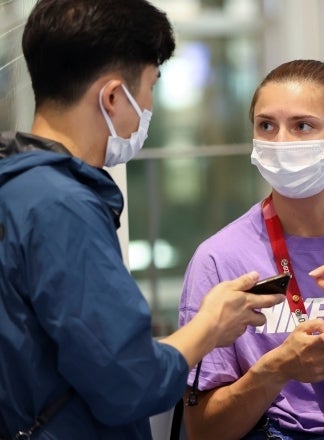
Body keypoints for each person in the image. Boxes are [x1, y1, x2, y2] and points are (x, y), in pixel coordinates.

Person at [0, 1, 284, 438]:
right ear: (113, 96)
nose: (149, 104)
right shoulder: (62, 207)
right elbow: (126, 381)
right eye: (151, 85)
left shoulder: (17, 187)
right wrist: (210, 326)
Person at [178, 59, 324, 439]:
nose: (281, 143)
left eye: (303, 126)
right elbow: (204, 430)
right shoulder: (219, 259)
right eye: (266, 126)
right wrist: (277, 370)